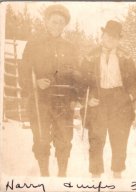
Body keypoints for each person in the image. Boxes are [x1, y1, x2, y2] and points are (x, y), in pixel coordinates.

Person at [19, 4, 81, 177]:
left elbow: (77, 75)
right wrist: (36, 83)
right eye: (54, 22)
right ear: (46, 22)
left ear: (65, 25)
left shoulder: (70, 47)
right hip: (41, 101)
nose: (57, 26)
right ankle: (44, 176)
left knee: (64, 142)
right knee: (41, 141)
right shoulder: (33, 45)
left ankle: (62, 177)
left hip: (64, 103)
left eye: (61, 23)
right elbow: (23, 73)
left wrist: (75, 97)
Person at [81, 20, 136, 178]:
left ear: (119, 39)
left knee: (119, 141)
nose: (110, 40)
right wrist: (88, 99)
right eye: (108, 36)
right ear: (102, 35)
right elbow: (80, 81)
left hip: (120, 101)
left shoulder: (125, 57)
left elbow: (134, 82)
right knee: (96, 140)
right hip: (98, 100)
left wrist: (129, 97)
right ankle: (96, 176)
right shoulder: (90, 56)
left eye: (114, 37)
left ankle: (117, 175)